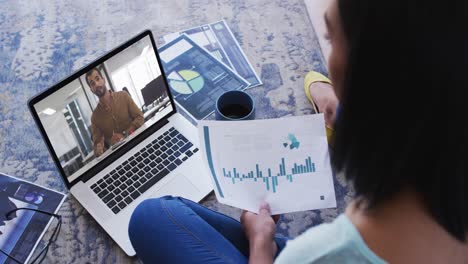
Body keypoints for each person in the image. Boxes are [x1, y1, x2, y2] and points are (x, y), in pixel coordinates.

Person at [127, 0, 467, 263]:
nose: (328, 57)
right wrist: (332, 97)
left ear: (368, 75)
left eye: (331, 39)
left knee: (150, 218)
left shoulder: (320, 253)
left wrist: (262, 245)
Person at [85, 68, 144, 157]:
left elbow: (140, 117)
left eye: (97, 79)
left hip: (138, 144)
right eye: (92, 83)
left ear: (103, 80)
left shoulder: (123, 96)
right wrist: (99, 149)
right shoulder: (95, 117)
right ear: (91, 89)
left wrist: (125, 134)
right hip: (120, 156)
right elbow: (97, 149)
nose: (96, 84)